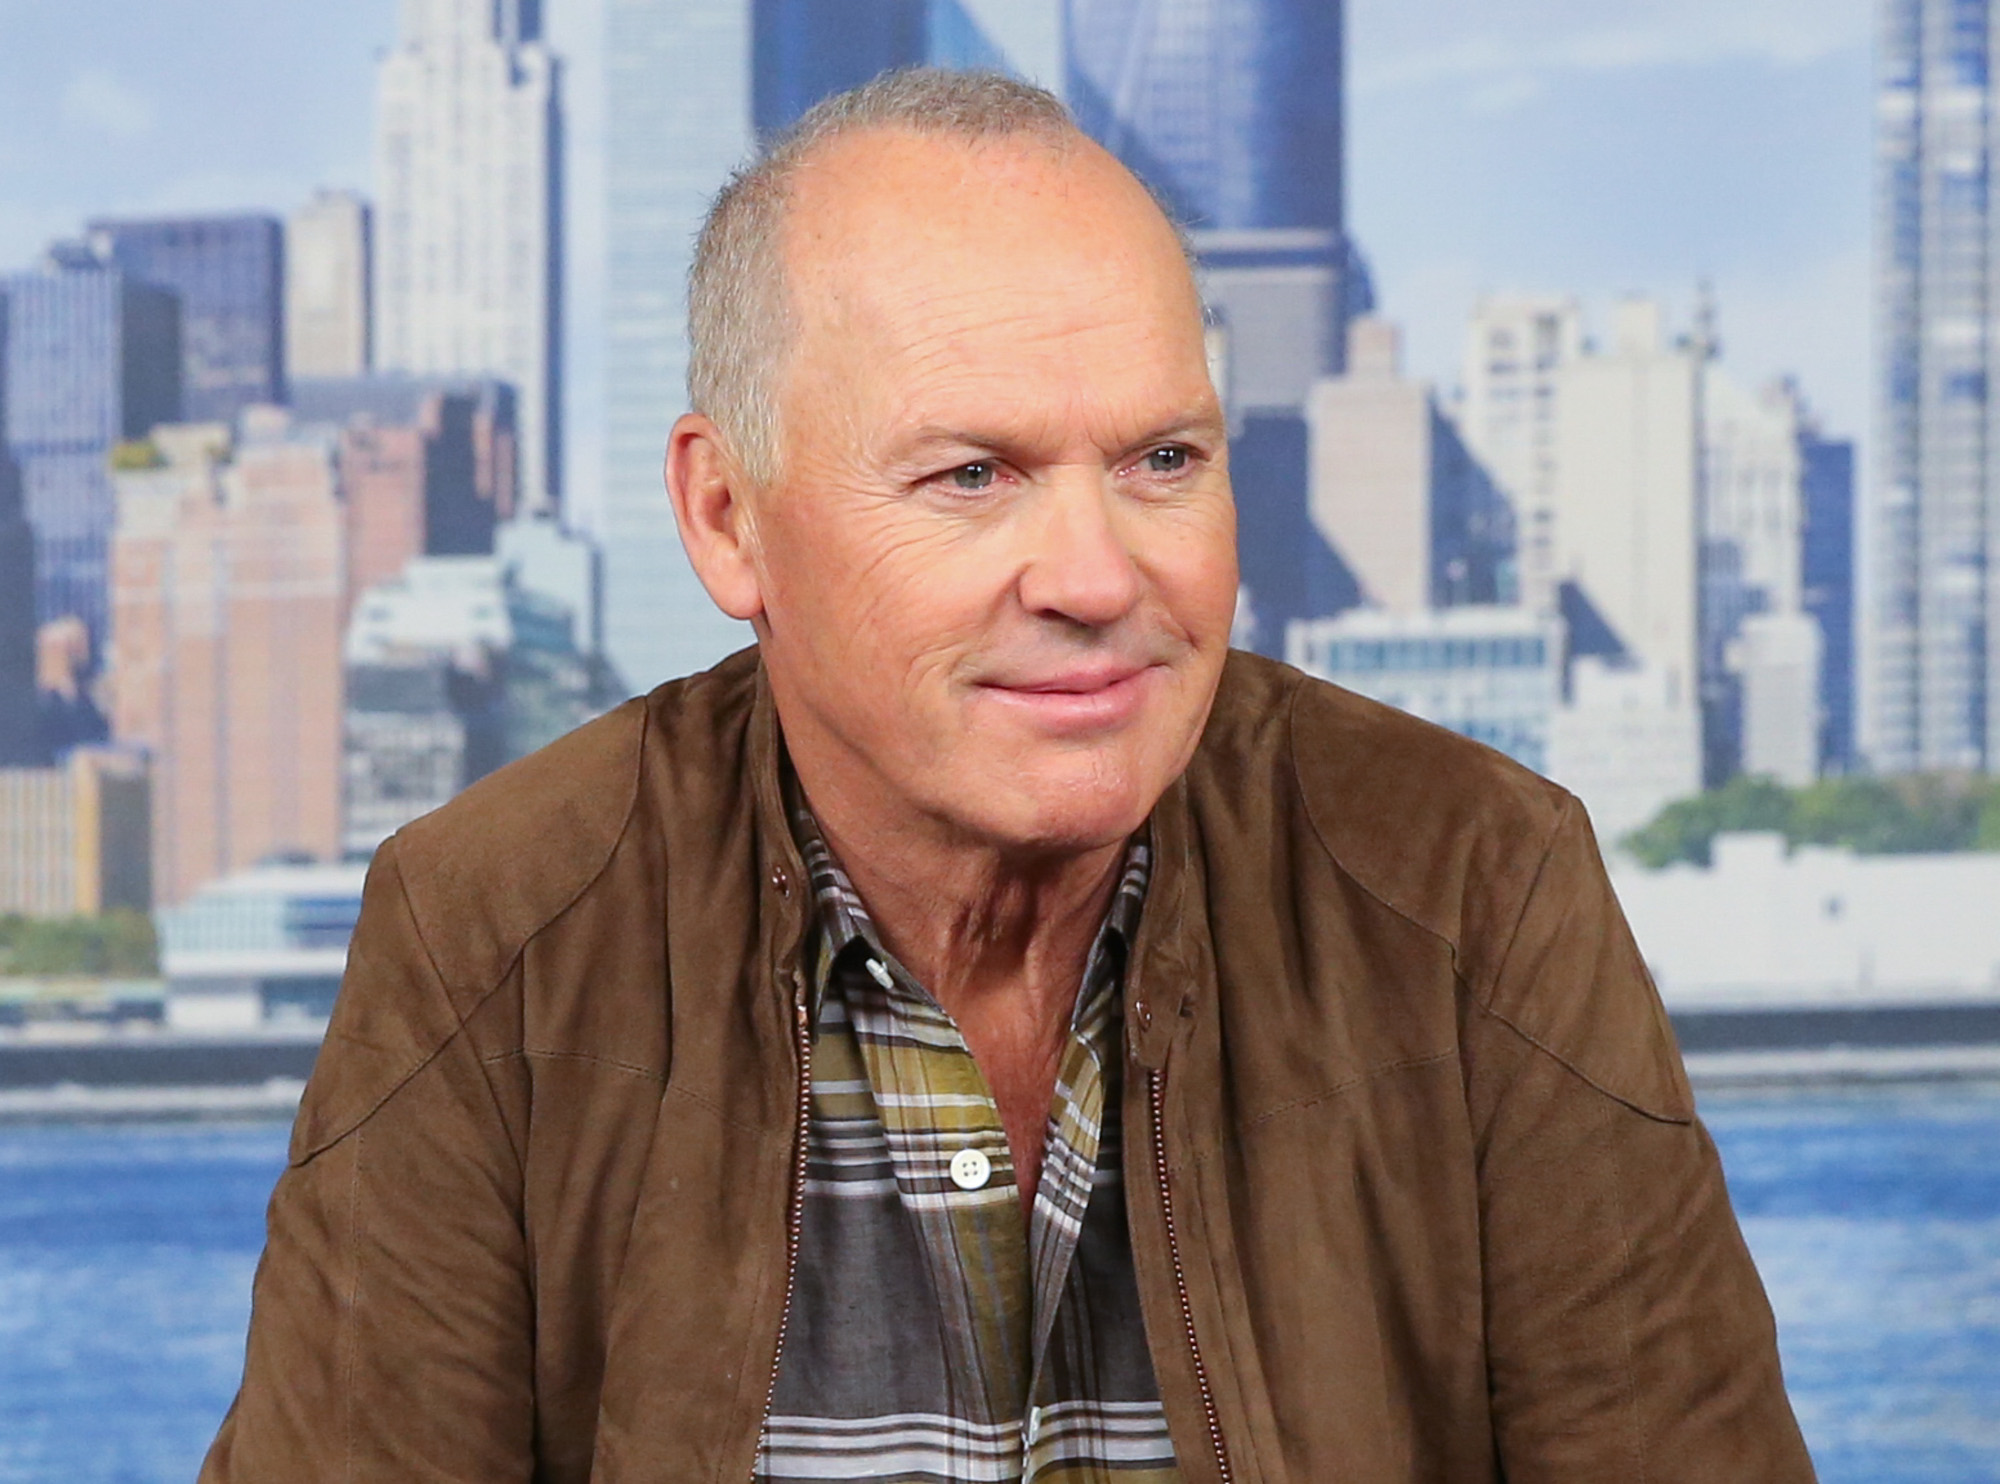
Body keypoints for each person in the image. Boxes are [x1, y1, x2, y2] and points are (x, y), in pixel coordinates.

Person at [201, 70, 1815, 1483]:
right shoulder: (493, 931)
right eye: (973, 476)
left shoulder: (1478, 888)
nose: (1096, 576)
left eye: (1164, 461)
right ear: (727, 518)